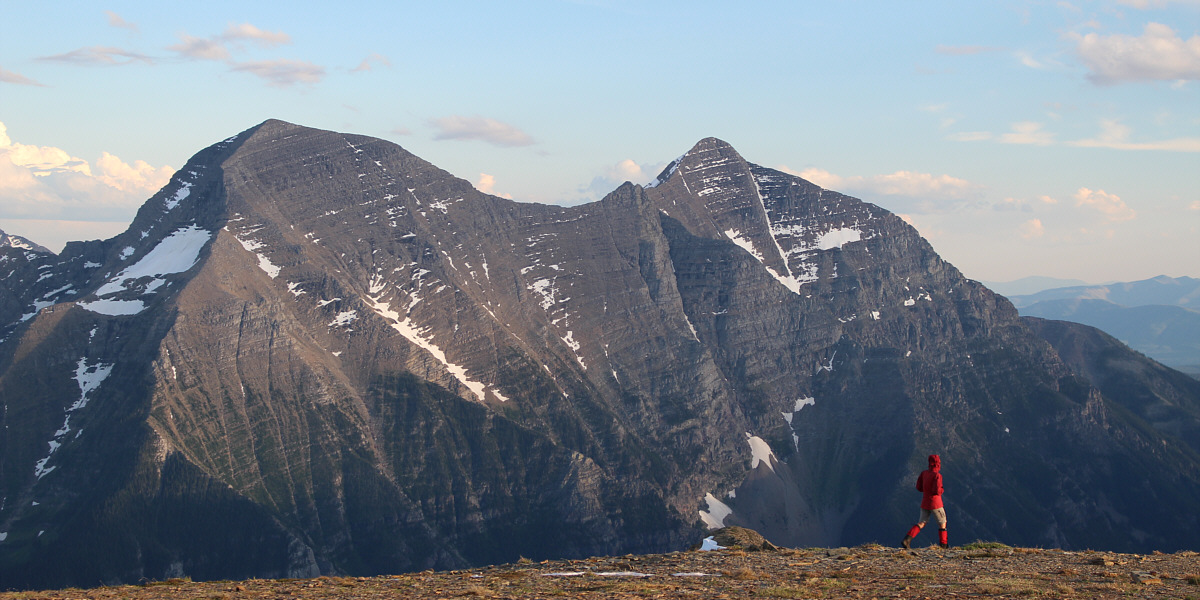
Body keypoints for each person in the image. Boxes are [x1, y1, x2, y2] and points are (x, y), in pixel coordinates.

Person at [901, 454, 947, 549]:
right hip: (936, 503)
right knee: (942, 523)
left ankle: (907, 539)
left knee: (922, 522)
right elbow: (937, 491)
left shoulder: (924, 473)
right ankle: (944, 545)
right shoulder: (937, 475)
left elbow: (919, 487)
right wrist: (942, 490)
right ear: (938, 463)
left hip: (925, 502)